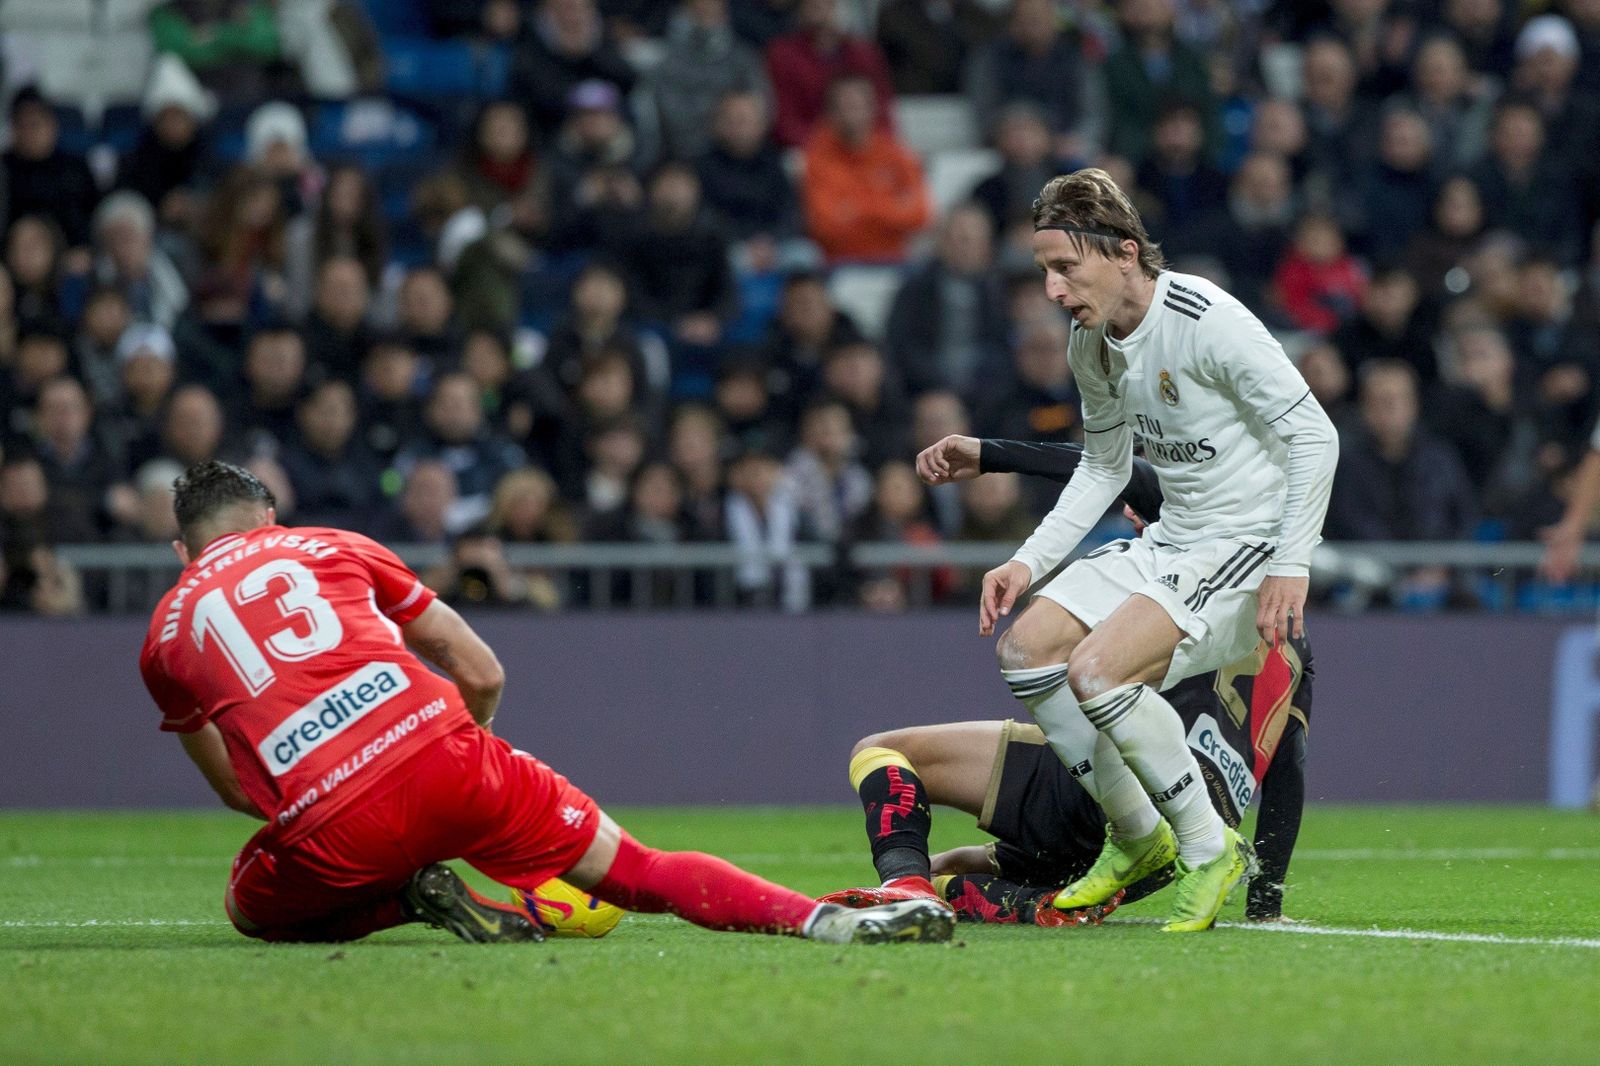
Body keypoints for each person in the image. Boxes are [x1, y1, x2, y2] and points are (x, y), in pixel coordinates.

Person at [138, 460, 953, 946]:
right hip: (453, 756)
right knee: (639, 871)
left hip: (333, 816)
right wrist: (463, 752)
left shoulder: (165, 634)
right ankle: (826, 922)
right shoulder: (335, 544)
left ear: (184, 549)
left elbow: (236, 789)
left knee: (251, 903)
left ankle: (403, 900)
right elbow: (480, 670)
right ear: (269, 519)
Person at [916, 168, 1336, 932]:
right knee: (1028, 650)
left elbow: (1315, 434)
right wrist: (1025, 561)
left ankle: (1209, 849)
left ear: (1124, 252)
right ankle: (1140, 835)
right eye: (1043, 269)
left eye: (1064, 267)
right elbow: (1105, 467)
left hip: (1246, 548)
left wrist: (1291, 565)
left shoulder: (1206, 318)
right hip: (1176, 540)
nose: (1051, 289)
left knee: (1096, 671)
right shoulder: (1091, 343)